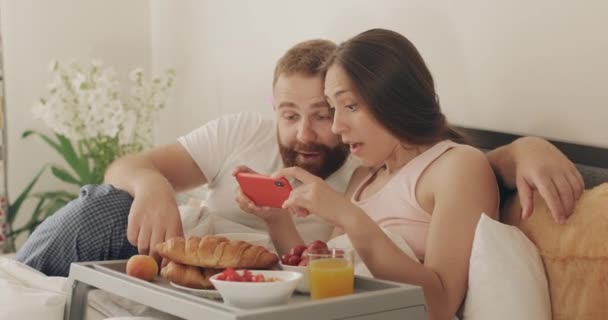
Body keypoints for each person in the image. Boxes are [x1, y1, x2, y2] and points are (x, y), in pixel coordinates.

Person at [16, 38, 582, 278]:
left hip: (218, 281)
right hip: (144, 231)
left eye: (334, 110)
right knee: (107, 208)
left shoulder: (362, 169)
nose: (318, 130)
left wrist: (524, 148)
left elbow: (448, 159)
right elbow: (127, 166)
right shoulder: (254, 134)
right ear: (272, 107)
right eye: (292, 113)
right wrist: (155, 187)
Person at [235, 29, 582, 319]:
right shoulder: (363, 180)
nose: (338, 126)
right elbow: (325, 286)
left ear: (392, 99)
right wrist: (277, 222)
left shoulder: (455, 168)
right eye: (333, 108)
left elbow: (440, 304)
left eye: (350, 106)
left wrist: (348, 217)